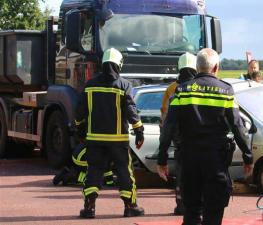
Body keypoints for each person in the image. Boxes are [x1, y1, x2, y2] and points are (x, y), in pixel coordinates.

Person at [157, 48, 253, 225]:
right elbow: (238, 127)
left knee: (191, 209)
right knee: (214, 210)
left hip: (188, 159)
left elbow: (168, 127)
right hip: (216, 160)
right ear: (216, 67)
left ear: (197, 66)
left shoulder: (182, 90)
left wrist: (161, 158)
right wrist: (248, 156)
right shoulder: (226, 91)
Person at [75, 48, 145, 218]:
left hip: (94, 139)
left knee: (93, 171)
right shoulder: (124, 85)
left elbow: (80, 112)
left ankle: (89, 208)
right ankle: (130, 206)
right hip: (118, 139)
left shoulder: (90, 85)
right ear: (119, 64)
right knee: (124, 171)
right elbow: (130, 110)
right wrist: (139, 130)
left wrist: (80, 129)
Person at [159, 52, 197, 215]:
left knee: (182, 172)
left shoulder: (172, 89)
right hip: (200, 138)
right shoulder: (200, 86)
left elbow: (166, 116)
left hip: (180, 140)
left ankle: (181, 205)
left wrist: (164, 146)